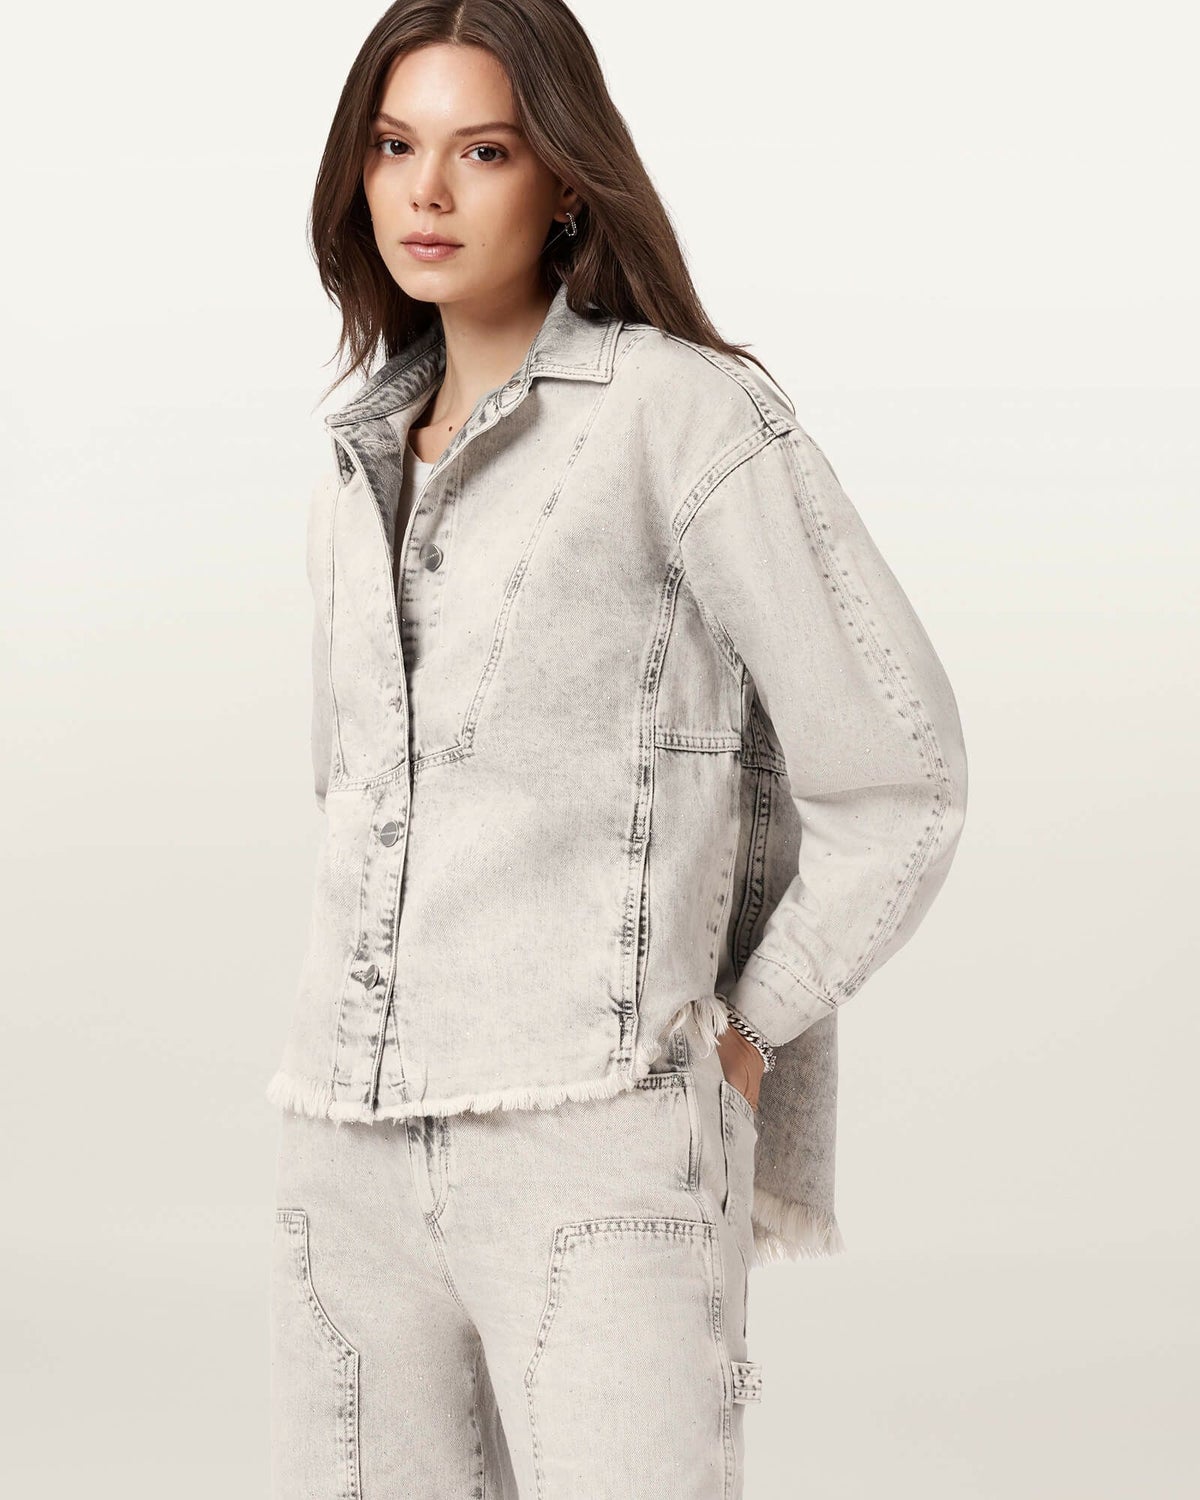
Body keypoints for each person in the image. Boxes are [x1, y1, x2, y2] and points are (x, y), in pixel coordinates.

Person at [266, 2, 969, 1496]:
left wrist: (749, 1027)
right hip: (344, 1153)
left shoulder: (676, 415)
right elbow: (358, 800)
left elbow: (898, 773)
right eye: (393, 146)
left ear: (566, 182)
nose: (426, 192)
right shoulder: (353, 462)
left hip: (594, 1141)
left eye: (484, 151)